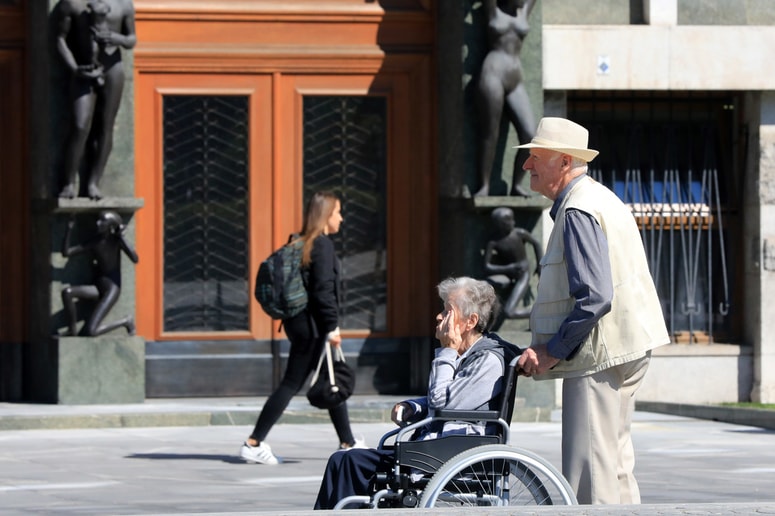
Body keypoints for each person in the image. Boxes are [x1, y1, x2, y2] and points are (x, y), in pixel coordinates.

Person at [515, 117, 670, 504]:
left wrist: (553, 350)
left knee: (591, 480)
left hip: (598, 356)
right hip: (624, 347)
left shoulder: (578, 210)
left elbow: (595, 297)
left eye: (536, 157)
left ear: (564, 162)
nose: (526, 166)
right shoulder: (599, 199)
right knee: (614, 466)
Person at [314, 276, 522, 510]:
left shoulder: (488, 360)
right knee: (342, 460)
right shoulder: (467, 355)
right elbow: (451, 398)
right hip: (437, 448)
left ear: (471, 321)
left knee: (350, 462)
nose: (439, 317)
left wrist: (446, 352)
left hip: (451, 452)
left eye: (447, 312)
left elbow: (443, 404)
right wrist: (415, 406)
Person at [241, 191, 361, 465]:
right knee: (292, 383)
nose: (341, 218)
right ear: (325, 216)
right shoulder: (322, 246)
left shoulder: (305, 243)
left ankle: (348, 442)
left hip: (304, 325)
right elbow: (323, 292)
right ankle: (253, 442)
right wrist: (332, 327)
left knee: (331, 380)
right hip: (314, 328)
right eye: (337, 212)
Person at [54, 0, 137, 200]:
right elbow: (60, 39)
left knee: (105, 126)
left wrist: (116, 38)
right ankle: (69, 182)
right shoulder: (71, 4)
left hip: (113, 69)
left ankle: (93, 182)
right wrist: (74, 68)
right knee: (80, 125)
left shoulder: (123, 4)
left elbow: (132, 39)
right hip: (84, 70)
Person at [474, 0, 537, 197]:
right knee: (490, 132)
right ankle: (484, 185)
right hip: (493, 73)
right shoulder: (493, 10)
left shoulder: (523, 12)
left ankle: (517, 184)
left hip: (515, 77)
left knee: (530, 135)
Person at [61, 211, 138, 336]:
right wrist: (69, 229)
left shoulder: (116, 241)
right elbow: (67, 253)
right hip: (98, 286)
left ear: (110, 226)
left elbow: (135, 259)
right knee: (67, 293)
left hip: (111, 289)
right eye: (98, 220)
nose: (98, 223)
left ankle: (125, 321)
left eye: (103, 221)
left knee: (91, 331)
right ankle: (72, 329)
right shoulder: (95, 242)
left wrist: (121, 237)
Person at [483, 206, 543, 318]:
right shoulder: (493, 242)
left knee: (509, 312)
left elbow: (536, 243)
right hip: (507, 273)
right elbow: (487, 266)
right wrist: (509, 268)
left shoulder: (519, 233)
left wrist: (540, 265)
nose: (514, 222)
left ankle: (538, 314)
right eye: (509, 221)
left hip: (522, 274)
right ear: (500, 224)